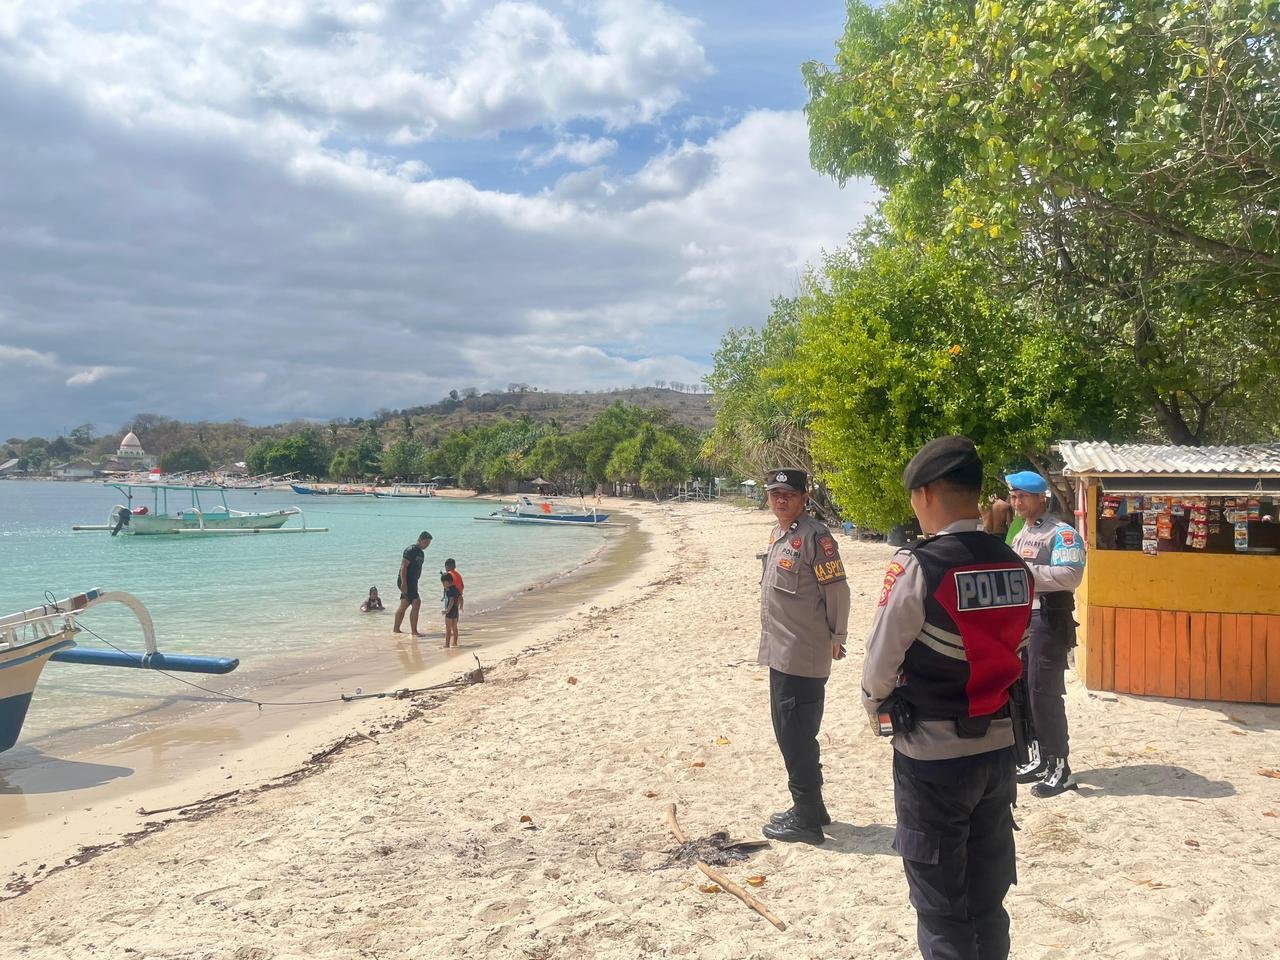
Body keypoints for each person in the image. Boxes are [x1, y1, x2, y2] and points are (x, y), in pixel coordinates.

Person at [863, 436, 1034, 960]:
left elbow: (879, 664)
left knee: (941, 910)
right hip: (998, 751)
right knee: (988, 902)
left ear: (927, 493)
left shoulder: (920, 567)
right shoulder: (1015, 564)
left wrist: (875, 707)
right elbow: (1019, 645)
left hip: (932, 757)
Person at [757, 468, 851, 845]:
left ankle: (807, 819)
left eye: (789, 494)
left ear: (804, 498)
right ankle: (813, 807)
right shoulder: (779, 534)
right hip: (780, 650)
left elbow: (837, 590)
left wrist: (837, 636)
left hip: (802, 652)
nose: (781, 500)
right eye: (775, 494)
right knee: (791, 732)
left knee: (795, 735)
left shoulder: (816, 537)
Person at [1006, 470, 1086, 798]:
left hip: (1049, 619)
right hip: (1024, 620)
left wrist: (1023, 573)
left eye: (1023, 496)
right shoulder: (1020, 532)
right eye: (1014, 496)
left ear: (1042, 497)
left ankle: (1060, 768)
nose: (1017, 502)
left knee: (1044, 693)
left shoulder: (1062, 533)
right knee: (1026, 691)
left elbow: (1070, 575)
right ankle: (1039, 758)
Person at [393, 531, 432, 637]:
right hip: (406, 580)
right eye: (426, 542)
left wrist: (416, 582)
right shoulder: (411, 550)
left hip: (413, 582)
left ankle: (396, 630)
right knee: (416, 602)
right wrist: (404, 583)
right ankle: (414, 632)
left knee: (404, 604)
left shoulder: (421, 553)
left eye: (429, 543)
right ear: (420, 540)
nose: (427, 545)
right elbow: (403, 567)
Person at [441, 572, 460, 648]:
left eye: (443, 582)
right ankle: (455, 643)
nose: (443, 584)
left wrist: (447, 610)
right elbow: (459, 598)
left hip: (450, 611)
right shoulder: (455, 588)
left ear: (447, 582)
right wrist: (460, 606)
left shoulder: (449, 590)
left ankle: (447, 644)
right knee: (454, 627)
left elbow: (451, 600)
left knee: (448, 629)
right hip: (455, 610)